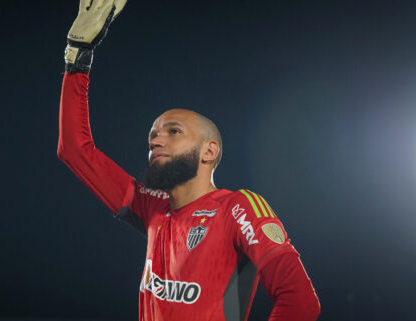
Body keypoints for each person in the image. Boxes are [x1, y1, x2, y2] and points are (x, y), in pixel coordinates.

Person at [57, 1, 320, 320]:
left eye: (173, 131)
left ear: (209, 151)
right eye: (153, 133)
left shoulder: (237, 209)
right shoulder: (151, 206)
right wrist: (77, 56)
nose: (155, 139)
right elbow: (75, 151)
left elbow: (300, 301)